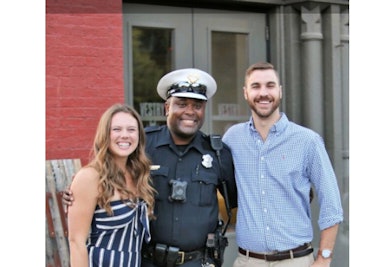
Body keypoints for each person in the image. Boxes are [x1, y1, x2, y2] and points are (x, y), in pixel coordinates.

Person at [64, 68, 238, 267]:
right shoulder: (141, 144)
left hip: (197, 261)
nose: (190, 111)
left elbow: (238, 205)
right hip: (148, 261)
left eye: (197, 105)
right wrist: (75, 193)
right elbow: (105, 170)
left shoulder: (218, 153)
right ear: (167, 108)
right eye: (181, 104)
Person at [222, 62, 344, 267]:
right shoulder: (232, 139)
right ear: (245, 93)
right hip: (247, 261)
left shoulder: (308, 141)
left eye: (270, 85)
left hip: (296, 261)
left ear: (280, 91)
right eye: (255, 86)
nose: (263, 93)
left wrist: (324, 258)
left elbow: (331, 204)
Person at [67, 103, 156, 267]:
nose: (124, 135)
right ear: (105, 134)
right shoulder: (91, 177)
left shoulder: (138, 175)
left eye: (131, 130)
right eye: (116, 129)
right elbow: (76, 242)